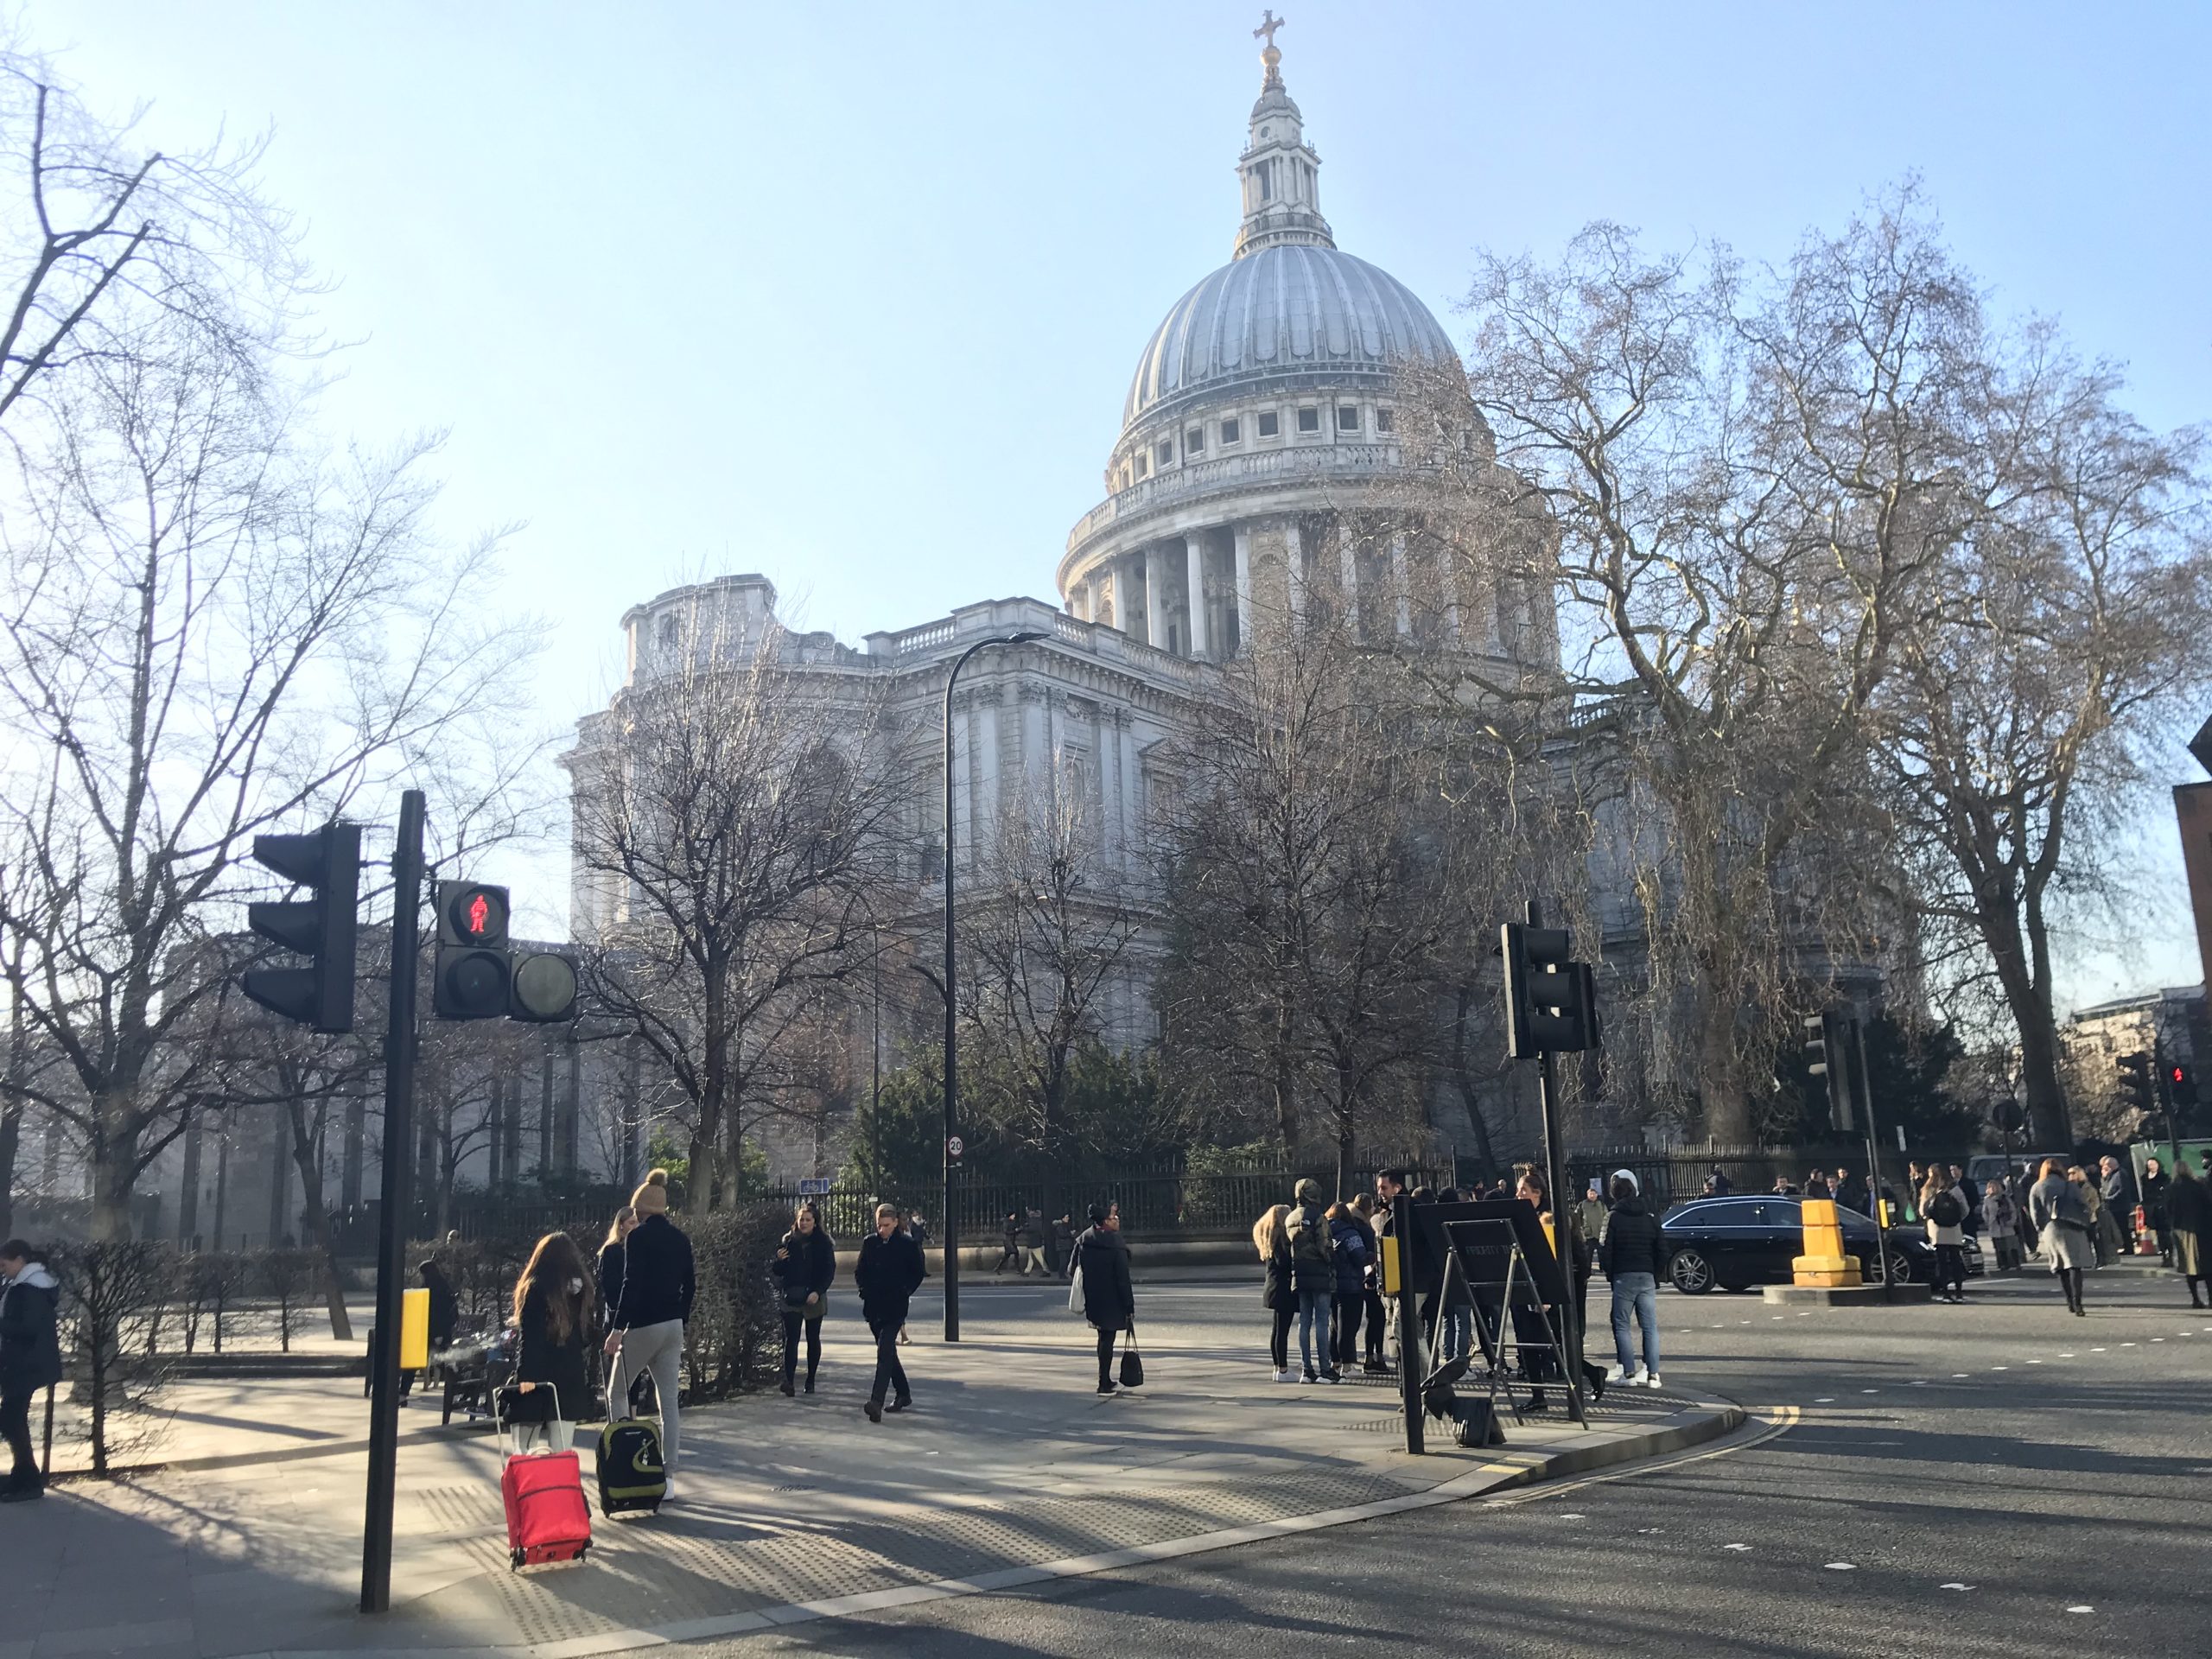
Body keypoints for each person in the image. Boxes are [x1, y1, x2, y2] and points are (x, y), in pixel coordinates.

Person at [603, 1169, 695, 1483]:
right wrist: (681, 1315)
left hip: (643, 1324)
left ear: (640, 1208)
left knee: (617, 1392)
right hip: (672, 1325)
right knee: (668, 1403)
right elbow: (690, 1284)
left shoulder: (637, 1237)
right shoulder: (681, 1239)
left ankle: (626, 1463)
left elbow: (631, 1284)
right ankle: (668, 1476)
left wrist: (618, 1329)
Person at [509, 1232, 593, 1455]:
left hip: (538, 1376)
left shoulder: (535, 1288)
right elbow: (586, 1335)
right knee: (562, 1450)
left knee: (524, 1450)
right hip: (570, 1374)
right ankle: (560, 1488)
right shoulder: (581, 1291)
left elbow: (531, 1337)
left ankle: (530, 1489)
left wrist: (525, 1374)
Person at [0, 1240, 60, 1503]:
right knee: (13, 1421)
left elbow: (27, 1328)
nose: (3, 1270)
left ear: (20, 1260)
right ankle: (24, 1477)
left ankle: (28, 1480)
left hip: (26, 1365)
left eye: (4, 1265)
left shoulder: (31, 1288)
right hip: (24, 1364)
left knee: (12, 1421)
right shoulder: (24, 1285)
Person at [856, 1201, 926, 1421]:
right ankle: (903, 1393)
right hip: (874, 1306)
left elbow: (918, 1273)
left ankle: (876, 1401)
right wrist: (864, 1291)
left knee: (884, 1350)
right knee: (887, 1353)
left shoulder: (907, 1245)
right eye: (879, 1225)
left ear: (896, 1223)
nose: (882, 1229)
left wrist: (905, 1290)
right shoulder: (870, 1243)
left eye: (886, 1225)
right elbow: (860, 1271)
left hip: (895, 1306)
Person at [1598, 1175, 1662, 1389]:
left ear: (1614, 1194)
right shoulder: (1650, 1215)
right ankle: (1653, 1374)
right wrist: (1656, 1272)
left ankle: (1628, 1373)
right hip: (1646, 1274)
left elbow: (1605, 1249)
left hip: (1623, 1275)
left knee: (1622, 1325)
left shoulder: (1613, 1216)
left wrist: (1610, 1272)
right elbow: (1662, 1246)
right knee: (1650, 1326)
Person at [772, 1202, 836, 1397]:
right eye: (801, 1219)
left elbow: (829, 1270)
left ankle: (810, 1380)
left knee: (812, 1338)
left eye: (808, 1220)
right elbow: (778, 1271)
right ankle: (789, 1381)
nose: (804, 1223)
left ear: (815, 1222)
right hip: (792, 1296)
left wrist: (818, 1291)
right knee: (791, 1339)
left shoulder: (824, 1242)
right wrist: (779, 1261)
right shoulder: (788, 1240)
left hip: (813, 1296)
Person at [1075, 1203, 1135, 1393]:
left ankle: (1104, 1379)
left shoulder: (1084, 1239)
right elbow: (1123, 1279)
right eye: (1113, 1217)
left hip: (1093, 1296)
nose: (1117, 1220)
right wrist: (1129, 1305)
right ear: (1105, 1221)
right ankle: (1104, 1382)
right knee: (1108, 1338)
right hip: (1113, 1298)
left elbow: (1072, 1269)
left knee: (1102, 1337)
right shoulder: (1115, 1243)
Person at [1286, 1178, 1338, 1382]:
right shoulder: (1319, 1217)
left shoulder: (1290, 1218)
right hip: (1319, 1273)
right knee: (1322, 1321)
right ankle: (1325, 1368)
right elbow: (1325, 1246)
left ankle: (1307, 1369)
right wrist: (1333, 1261)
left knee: (1304, 1321)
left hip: (1299, 1272)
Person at [2030, 1158, 2094, 1315]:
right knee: (2074, 1265)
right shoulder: (2069, 1185)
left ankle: (2069, 1301)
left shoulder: (2037, 1187)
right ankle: (2078, 1303)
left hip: (2052, 1228)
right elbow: (2083, 1204)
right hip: (2072, 1226)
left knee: (2060, 1266)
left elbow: (2035, 1213)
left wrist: (2041, 1228)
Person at [1326, 1199, 1373, 1373]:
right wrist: (1372, 1256)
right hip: (1351, 1284)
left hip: (1332, 1283)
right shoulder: (1350, 1234)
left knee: (1335, 1326)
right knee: (1348, 1326)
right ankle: (1347, 1366)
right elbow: (1360, 1257)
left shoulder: (1325, 1232)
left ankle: (1335, 1361)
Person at [1255, 1203, 1298, 1382]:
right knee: (1282, 1330)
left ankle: (1278, 1367)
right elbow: (1285, 1263)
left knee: (1277, 1329)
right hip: (1282, 1289)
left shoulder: (1269, 1238)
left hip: (1273, 1287)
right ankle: (1283, 1369)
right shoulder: (1281, 1239)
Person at [1350, 1193, 1389, 1373]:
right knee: (1378, 1318)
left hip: (1361, 1276)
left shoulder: (1354, 1224)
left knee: (1371, 1318)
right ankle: (1376, 1357)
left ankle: (1369, 1356)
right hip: (1372, 1275)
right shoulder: (1368, 1227)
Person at [2165, 1160, 2208, 1306]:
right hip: (2201, 1228)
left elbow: (2168, 1210)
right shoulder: (2198, 1186)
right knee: (2206, 1264)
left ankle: (2196, 1298)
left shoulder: (2171, 1188)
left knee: (2188, 1265)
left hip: (2180, 1230)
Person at [1922, 1174, 1968, 1302]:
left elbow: (1923, 1211)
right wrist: (1955, 1221)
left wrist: (1933, 1222)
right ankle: (1959, 1294)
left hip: (1938, 1232)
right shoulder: (1955, 1190)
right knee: (1956, 1262)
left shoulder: (1929, 1191)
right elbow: (1965, 1209)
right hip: (1954, 1230)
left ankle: (1945, 1294)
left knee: (1942, 1263)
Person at [2097, 1155, 2136, 1262]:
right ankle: (2125, 1246)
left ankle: (2129, 1247)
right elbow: (2105, 1188)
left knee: (2123, 1227)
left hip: (2120, 1206)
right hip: (2113, 1206)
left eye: (2107, 1165)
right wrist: (2104, 1177)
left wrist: (2109, 1198)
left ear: (2113, 1165)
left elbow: (2122, 1190)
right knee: (2119, 1227)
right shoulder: (2111, 1175)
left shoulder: (2120, 1174)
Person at [1980, 1179, 2022, 1274]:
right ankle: (2003, 1264)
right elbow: (1985, 1212)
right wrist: (1988, 1221)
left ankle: (2016, 1263)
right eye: (1991, 1187)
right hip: (1994, 1225)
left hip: (2006, 1225)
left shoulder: (2005, 1198)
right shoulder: (1987, 1200)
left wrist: (2011, 1221)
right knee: (1999, 1246)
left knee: (2011, 1245)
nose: (1993, 1189)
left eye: (1994, 1187)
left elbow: (2012, 1211)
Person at [2141, 1157, 2172, 1266]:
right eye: (2150, 1164)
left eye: (2154, 1164)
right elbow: (2144, 1192)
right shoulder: (2144, 1178)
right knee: (2158, 1233)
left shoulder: (2164, 1177)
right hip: (2151, 1207)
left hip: (2162, 1207)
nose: (2152, 1166)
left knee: (2166, 1232)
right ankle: (2163, 1254)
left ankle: (2170, 1255)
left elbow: (2166, 1192)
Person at [1021, 1205, 1049, 1277]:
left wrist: (1024, 1228)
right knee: (1031, 1258)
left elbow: (1033, 1229)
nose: (1027, 1212)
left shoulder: (1034, 1219)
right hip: (1033, 1241)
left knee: (1039, 1257)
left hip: (1034, 1241)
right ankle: (1027, 1271)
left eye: (1028, 1210)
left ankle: (1046, 1270)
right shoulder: (1036, 1219)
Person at [995, 1208, 1023, 1275]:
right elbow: (1006, 1231)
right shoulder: (1006, 1222)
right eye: (1013, 1215)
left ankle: (998, 1268)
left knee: (1007, 1255)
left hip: (1011, 1240)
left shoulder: (1011, 1221)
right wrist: (1015, 1231)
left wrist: (1018, 1230)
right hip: (1008, 1241)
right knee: (1016, 1253)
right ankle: (1017, 1269)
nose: (1014, 1216)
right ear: (1010, 1216)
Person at [1051, 1212, 1076, 1278]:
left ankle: (1062, 1274)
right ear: (1063, 1218)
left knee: (1065, 1260)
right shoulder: (1060, 1226)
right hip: (1062, 1246)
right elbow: (1062, 1235)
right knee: (1063, 1261)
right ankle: (1061, 1274)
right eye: (1066, 1217)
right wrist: (1070, 1234)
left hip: (1064, 1245)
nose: (1068, 1218)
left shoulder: (1065, 1225)